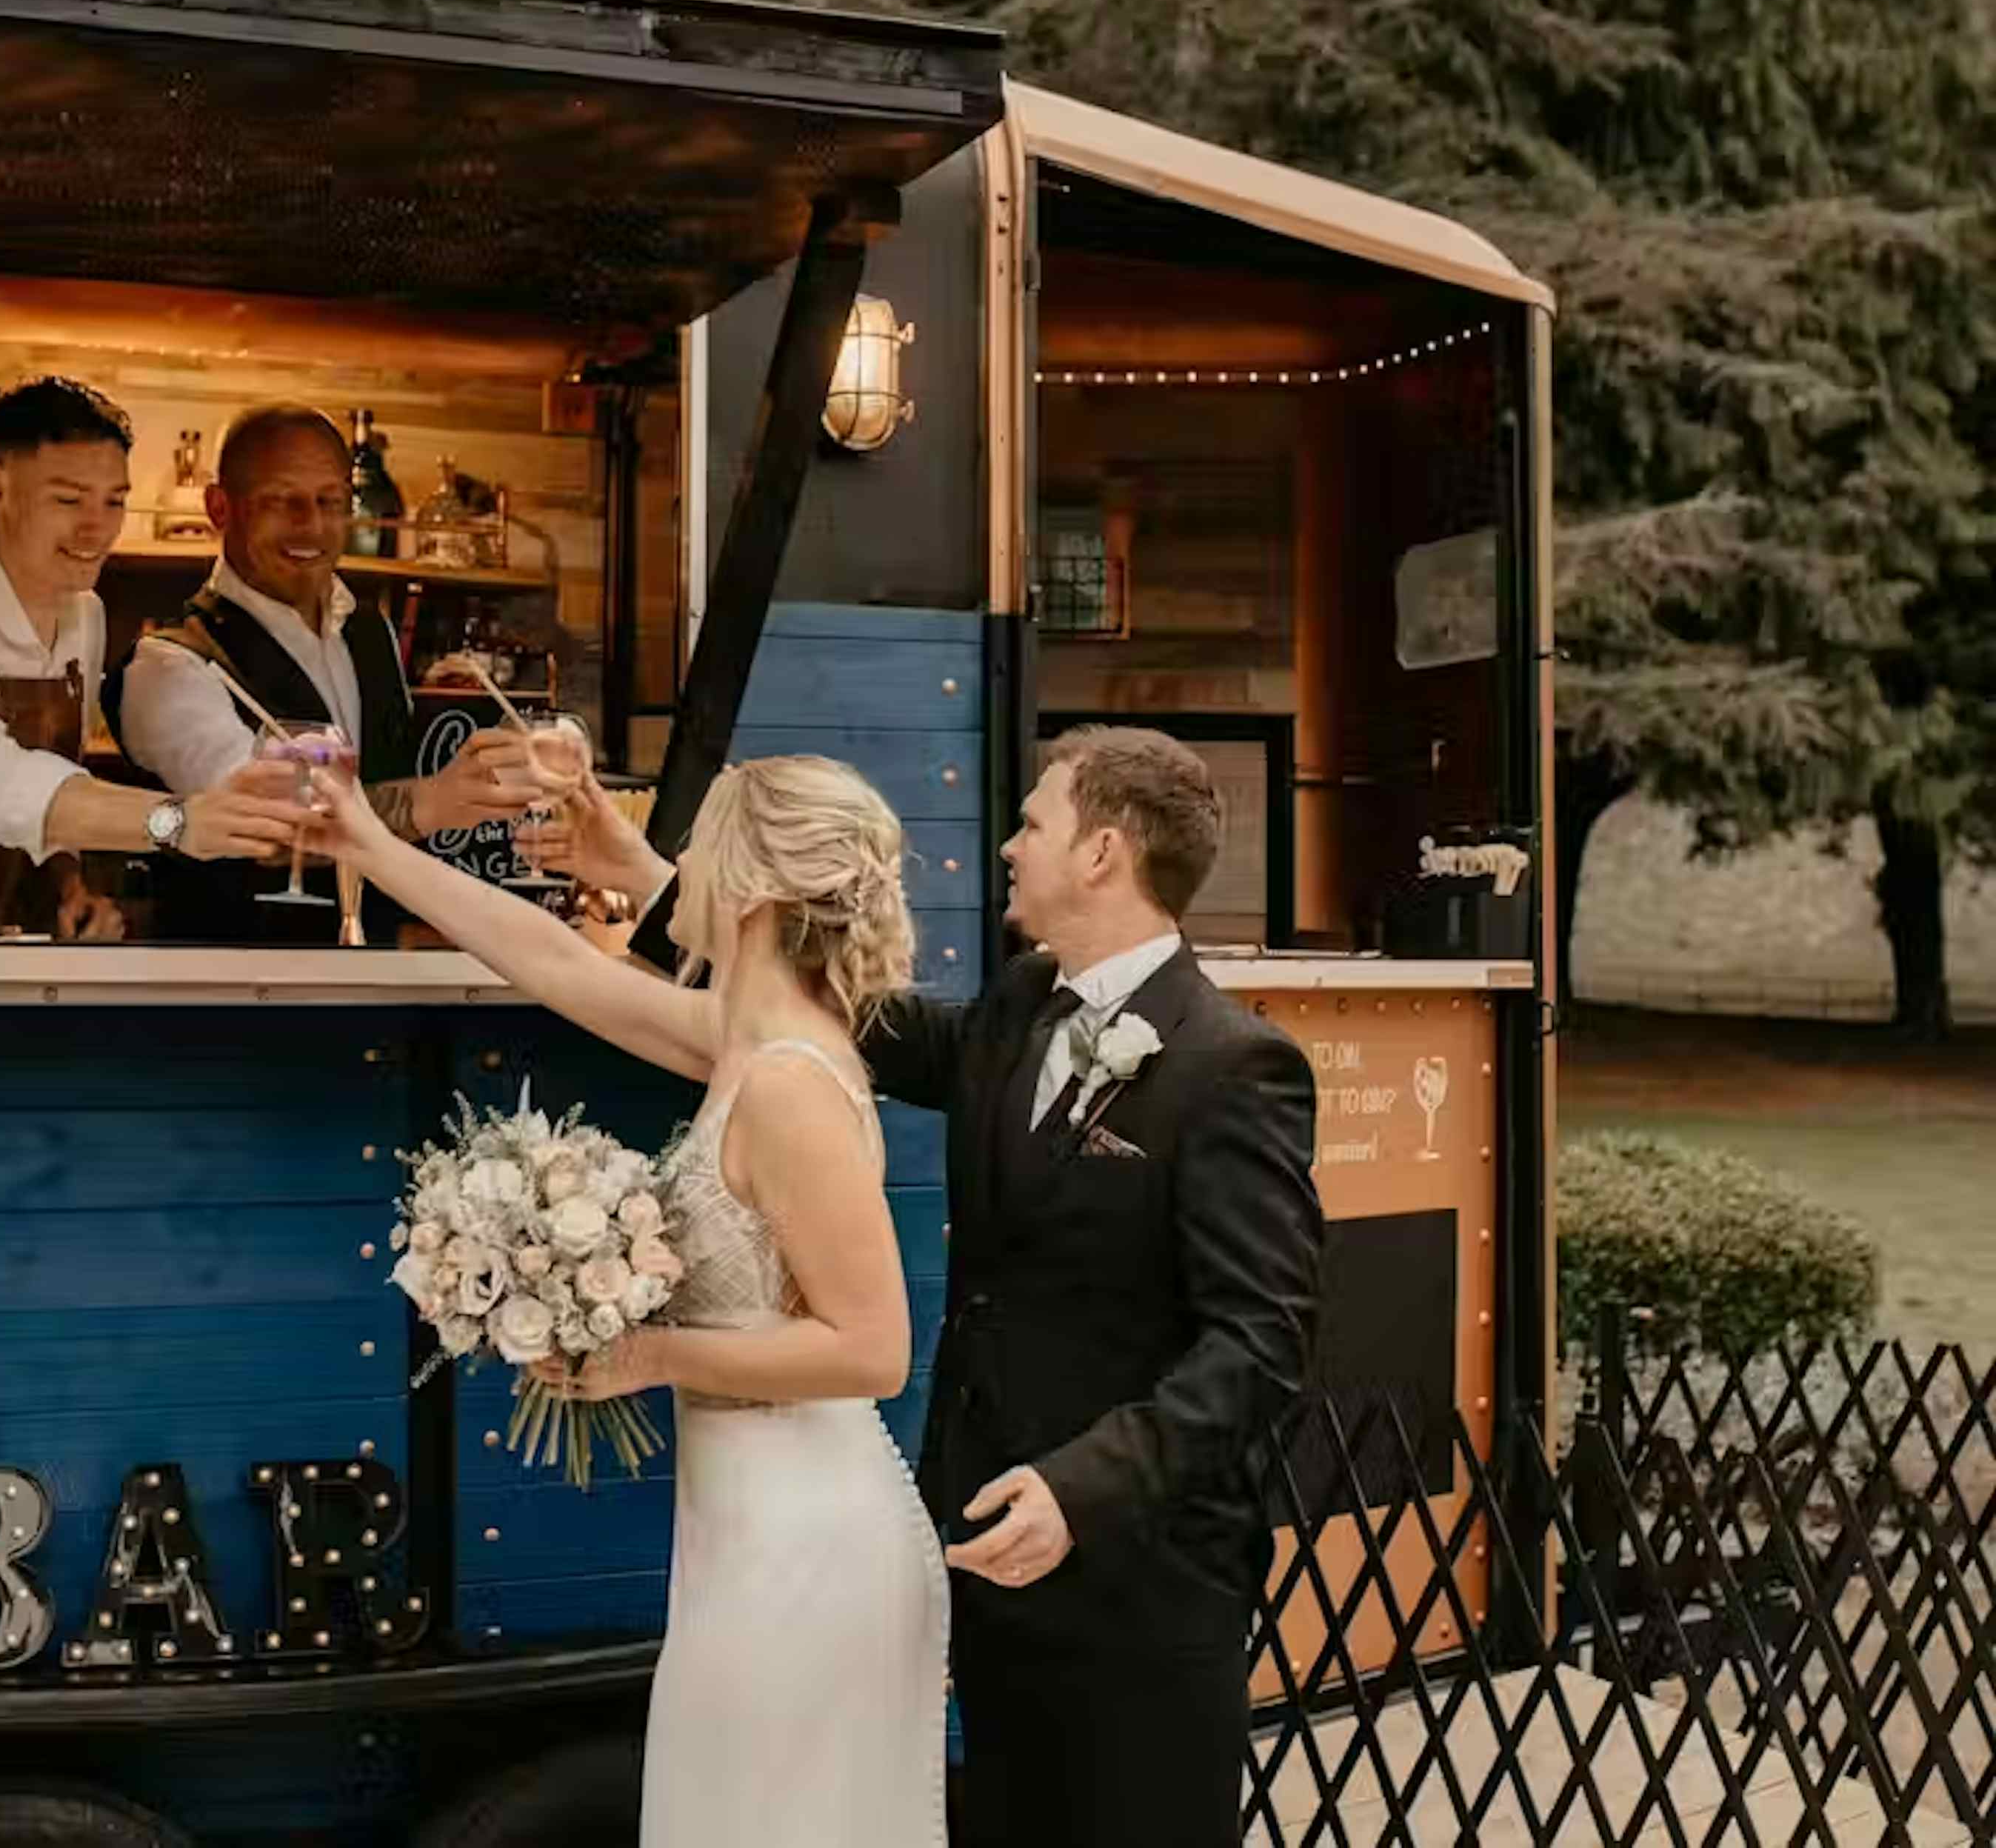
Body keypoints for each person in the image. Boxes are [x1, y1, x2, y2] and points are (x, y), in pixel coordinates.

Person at [533, 728, 1324, 1848]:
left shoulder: (1234, 1065)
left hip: (1140, 1576)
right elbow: (818, 1004)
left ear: (1101, 852)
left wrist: (1082, 1488)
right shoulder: (1016, 1012)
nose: (1008, 843)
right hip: (987, 1551)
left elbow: (1263, 1341)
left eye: (1035, 821)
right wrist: (674, 886)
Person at [316, 755, 947, 1848]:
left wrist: (655, 1354)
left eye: (700, 840)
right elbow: (554, 959)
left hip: (806, 1538)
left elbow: (873, 1347)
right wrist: (369, 846)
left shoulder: (791, 1081)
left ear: (748, 885)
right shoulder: (744, 1044)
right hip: (747, 1523)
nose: (681, 860)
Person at [0, 377, 310, 941]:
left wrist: (68, 885)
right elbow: (0, 785)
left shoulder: (85, 617)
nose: (96, 528)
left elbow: (52, 793)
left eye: (115, 501)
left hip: (17, 967)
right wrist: (177, 822)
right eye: (69, 499)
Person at [110, 402, 536, 941]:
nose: (310, 523)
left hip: (379, 982)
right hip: (234, 992)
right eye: (280, 501)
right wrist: (432, 802)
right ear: (220, 507)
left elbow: (388, 779)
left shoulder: (370, 633)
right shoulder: (169, 667)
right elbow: (264, 823)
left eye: (329, 501)